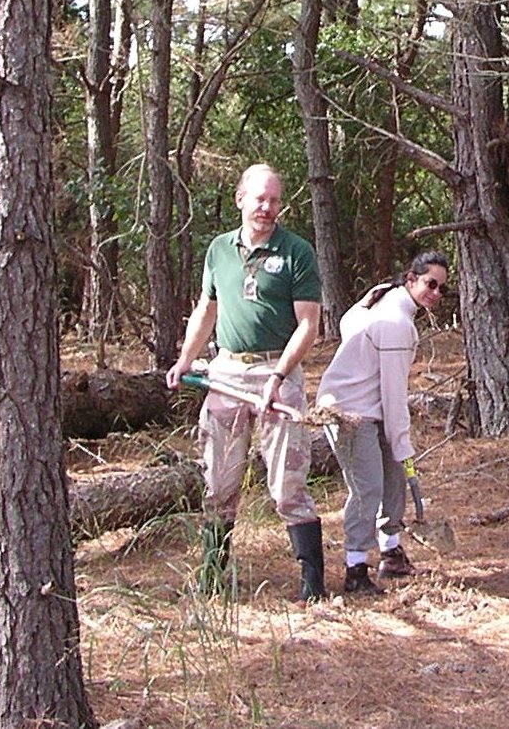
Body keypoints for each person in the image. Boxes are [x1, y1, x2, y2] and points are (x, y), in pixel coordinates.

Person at [166, 163, 326, 603]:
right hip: (226, 373)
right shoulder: (219, 250)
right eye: (259, 198)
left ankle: (313, 586)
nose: (267, 208)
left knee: (287, 483)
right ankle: (213, 577)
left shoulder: (296, 252)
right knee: (219, 481)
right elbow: (207, 310)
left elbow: (309, 325)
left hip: (278, 372)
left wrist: (278, 376)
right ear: (240, 199)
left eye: (274, 200)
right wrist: (185, 359)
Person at [316, 251, 449, 595]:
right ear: (411, 279)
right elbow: (394, 393)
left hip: (371, 407)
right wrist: (402, 442)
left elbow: (348, 323)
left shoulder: (383, 299)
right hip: (347, 411)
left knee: (393, 476)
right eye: (430, 284)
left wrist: (398, 449)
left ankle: (391, 553)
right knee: (368, 487)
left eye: (441, 289)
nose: (435, 293)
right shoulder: (396, 323)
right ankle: (356, 568)